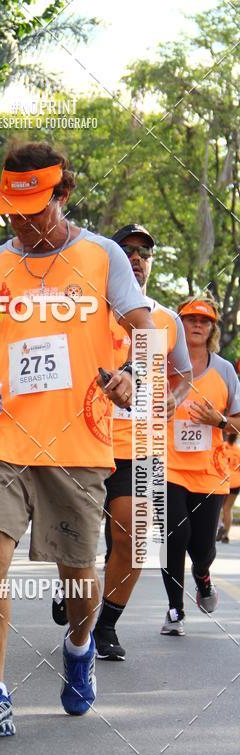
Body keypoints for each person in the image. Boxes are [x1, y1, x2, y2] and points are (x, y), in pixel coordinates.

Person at [0, 141, 153, 740]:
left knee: (77, 574)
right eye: (12, 209)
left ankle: (80, 643)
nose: (21, 221)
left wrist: (131, 375)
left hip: (79, 443)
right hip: (6, 436)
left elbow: (143, 330)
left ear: (63, 196)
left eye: (35, 207)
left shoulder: (103, 257)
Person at [86, 224, 192, 660]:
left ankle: (104, 626)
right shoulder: (88, 308)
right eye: (126, 249)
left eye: (144, 252)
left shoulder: (166, 319)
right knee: (73, 538)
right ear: (112, 256)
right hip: (86, 439)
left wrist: (173, 398)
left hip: (142, 445)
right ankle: (71, 587)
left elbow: (183, 374)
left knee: (134, 538)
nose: (135, 257)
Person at [160, 297, 240, 634]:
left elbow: (237, 423)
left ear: (212, 329)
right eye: (190, 319)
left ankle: (203, 577)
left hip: (210, 473)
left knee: (202, 547)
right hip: (168, 467)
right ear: (178, 325)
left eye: (204, 321)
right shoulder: (162, 363)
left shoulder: (223, 369)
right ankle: (175, 611)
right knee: (175, 537)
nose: (196, 325)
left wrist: (218, 420)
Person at [218, 433, 240, 542]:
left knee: (219, 507)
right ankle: (226, 533)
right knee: (228, 508)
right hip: (236, 482)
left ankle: (219, 527)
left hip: (224, 480)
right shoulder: (238, 450)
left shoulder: (222, 447)